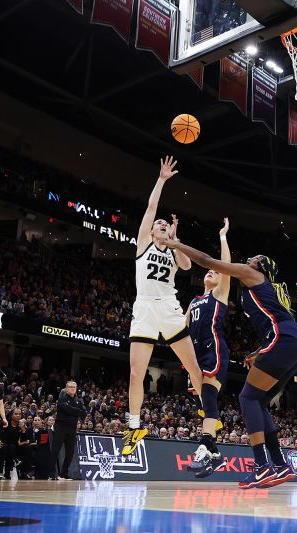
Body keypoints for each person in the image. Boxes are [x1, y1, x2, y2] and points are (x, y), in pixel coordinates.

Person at [157, 234, 297, 489]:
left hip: (286, 338)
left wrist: (176, 245)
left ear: (259, 266)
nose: (249, 258)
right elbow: (275, 324)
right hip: (292, 341)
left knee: (247, 398)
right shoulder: (255, 287)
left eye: (255, 258)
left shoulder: (251, 275)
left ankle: (262, 466)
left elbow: (207, 260)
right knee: (258, 401)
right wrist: (258, 353)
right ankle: (280, 466)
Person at [124, 156, 204, 456]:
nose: (160, 225)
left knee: (193, 367)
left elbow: (185, 266)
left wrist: (175, 239)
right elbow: (151, 209)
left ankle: (206, 410)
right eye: (159, 225)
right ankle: (133, 427)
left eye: (163, 226)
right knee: (135, 374)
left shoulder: (172, 249)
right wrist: (161, 180)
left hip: (169, 307)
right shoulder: (143, 242)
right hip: (144, 309)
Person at [187, 218, 232, 478]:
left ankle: (204, 445)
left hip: (213, 349)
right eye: (208, 272)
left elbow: (225, 267)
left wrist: (223, 237)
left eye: (213, 272)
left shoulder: (219, 295)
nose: (210, 273)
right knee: (202, 401)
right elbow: (180, 329)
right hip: (193, 355)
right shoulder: (193, 300)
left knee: (209, 395)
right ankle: (214, 454)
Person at [50, 381, 86, 480]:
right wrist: (77, 411)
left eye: (74, 387)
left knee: (70, 452)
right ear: (66, 388)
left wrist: (75, 411)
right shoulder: (62, 398)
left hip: (72, 428)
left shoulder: (79, 400)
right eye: (70, 387)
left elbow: (84, 412)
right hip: (60, 426)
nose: (72, 388)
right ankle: (52, 473)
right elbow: (66, 409)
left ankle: (64, 473)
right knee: (55, 449)